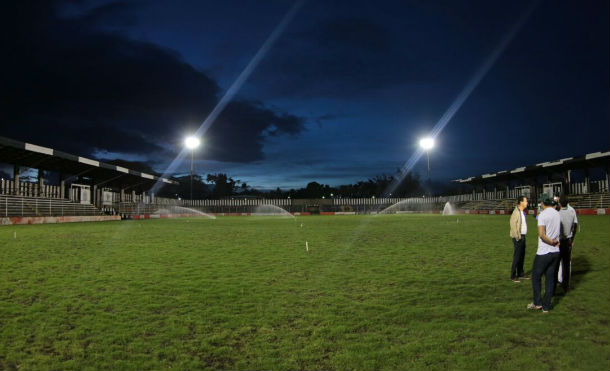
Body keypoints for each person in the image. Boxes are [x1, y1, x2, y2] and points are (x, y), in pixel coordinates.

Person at [527, 193, 561, 313]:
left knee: (536, 277)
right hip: (556, 252)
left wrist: (551, 242)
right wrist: (556, 242)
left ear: (542, 203)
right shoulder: (557, 213)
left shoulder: (542, 215)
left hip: (544, 252)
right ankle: (546, 307)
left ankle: (537, 303)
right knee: (550, 279)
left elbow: (541, 235)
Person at [557, 194, 577, 292]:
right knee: (566, 264)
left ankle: (555, 282)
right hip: (568, 241)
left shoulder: (557, 213)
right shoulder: (572, 212)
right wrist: (572, 240)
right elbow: (575, 226)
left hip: (558, 242)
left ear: (559, 203)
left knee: (556, 263)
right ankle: (566, 285)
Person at [509, 196, 529, 282]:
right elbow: (512, 225)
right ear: (521, 202)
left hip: (523, 236)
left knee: (521, 256)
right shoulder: (516, 212)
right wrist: (517, 237)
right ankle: (513, 276)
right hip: (518, 237)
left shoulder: (522, 212)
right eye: (526, 201)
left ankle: (520, 273)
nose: (527, 203)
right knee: (517, 256)